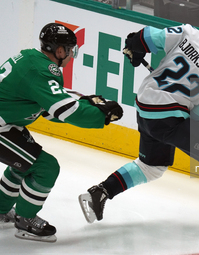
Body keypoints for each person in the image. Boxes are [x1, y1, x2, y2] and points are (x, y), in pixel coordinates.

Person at [79, 18, 199, 230]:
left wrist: (135, 47)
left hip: (146, 106)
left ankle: (101, 192)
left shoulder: (189, 33)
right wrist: (198, 128)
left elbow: (145, 36)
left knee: (152, 167)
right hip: (167, 116)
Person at [0, 23, 123, 242]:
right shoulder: (43, 70)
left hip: (8, 125)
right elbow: (65, 111)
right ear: (59, 51)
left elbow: (48, 107)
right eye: (70, 50)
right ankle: (25, 220)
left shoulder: (31, 58)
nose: (70, 56)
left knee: (25, 164)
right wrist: (100, 115)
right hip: (3, 128)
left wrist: (83, 102)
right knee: (45, 167)